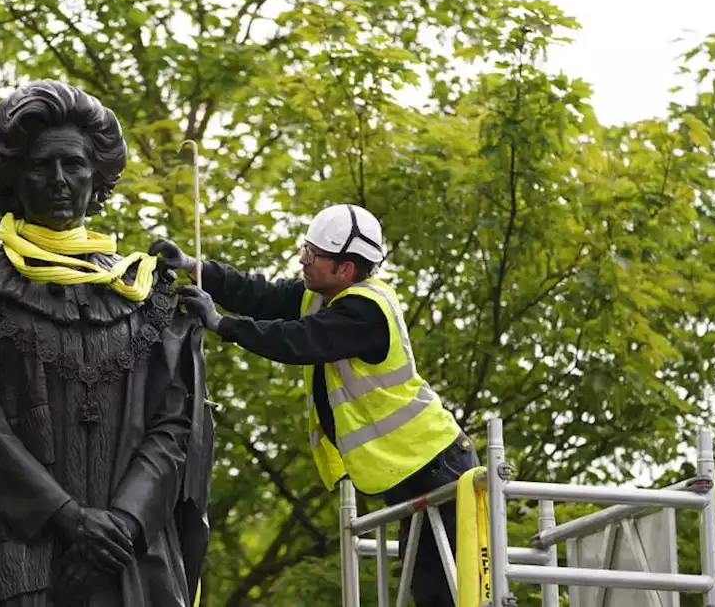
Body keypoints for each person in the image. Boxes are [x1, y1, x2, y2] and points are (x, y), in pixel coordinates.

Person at [0, 80, 212, 607]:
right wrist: (68, 520)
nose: (59, 180)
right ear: (13, 179)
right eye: (40, 166)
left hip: (132, 564)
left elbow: (174, 425)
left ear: (96, 176)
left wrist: (121, 524)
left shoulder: (146, 292)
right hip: (9, 563)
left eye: (74, 165)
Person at [150, 204, 475, 607]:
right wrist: (192, 266)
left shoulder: (366, 310)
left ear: (345, 269)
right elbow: (261, 294)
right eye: (307, 247)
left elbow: (299, 341)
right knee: (429, 587)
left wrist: (221, 324)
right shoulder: (320, 297)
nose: (303, 258)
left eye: (314, 254)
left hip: (437, 465)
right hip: (415, 469)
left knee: (451, 592)